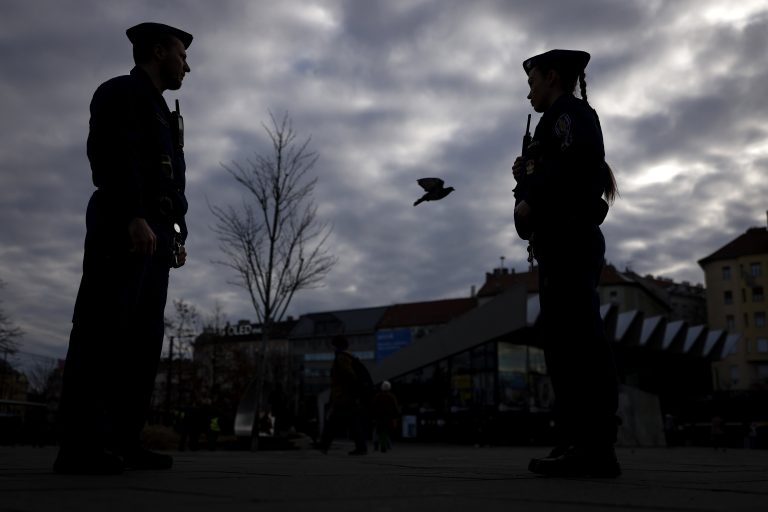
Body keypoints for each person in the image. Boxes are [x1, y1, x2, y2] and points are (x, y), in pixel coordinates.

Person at [54, 22, 193, 474]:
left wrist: (177, 231)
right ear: (158, 52)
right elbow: (113, 156)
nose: (187, 65)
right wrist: (133, 214)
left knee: (142, 341)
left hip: (154, 233)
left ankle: (122, 441)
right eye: (181, 55)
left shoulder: (166, 113)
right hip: (122, 224)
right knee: (103, 330)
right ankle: (79, 447)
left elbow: (170, 181)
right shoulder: (120, 92)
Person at [512, 49, 621, 477]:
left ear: (552, 76)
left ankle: (595, 446)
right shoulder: (551, 125)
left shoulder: (570, 115)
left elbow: (577, 169)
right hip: (557, 244)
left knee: (579, 341)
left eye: (532, 82)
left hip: (572, 239)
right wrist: (527, 183)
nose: (529, 93)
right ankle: (578, 439)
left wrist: (532, 185)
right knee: (562, 345)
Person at [318, 335, 369, 455]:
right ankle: (361, 448)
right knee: (353, 423)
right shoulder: (349, 356)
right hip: (348, 398)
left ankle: (324, 446)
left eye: (333, 345)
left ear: (337, 346)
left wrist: (343, 392)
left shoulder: (341, 358)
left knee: (332, 423)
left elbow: (350, 376)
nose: (332, 348)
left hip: (343, 397)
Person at [371, 381, 400, 453]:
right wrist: (396, 416)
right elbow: (395, 407)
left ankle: (377, 445)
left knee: (378, 431)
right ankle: (385, 446)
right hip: (388, 417)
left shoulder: (378, 396)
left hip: (379, 417)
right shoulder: (391, 396)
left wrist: (373, 416)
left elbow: (374, 407)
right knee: (385, 431)